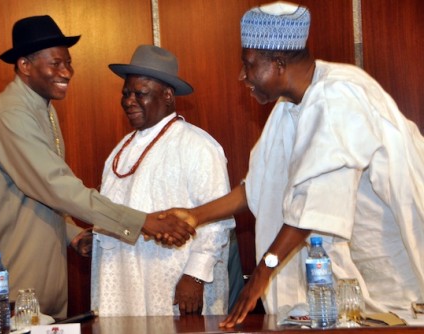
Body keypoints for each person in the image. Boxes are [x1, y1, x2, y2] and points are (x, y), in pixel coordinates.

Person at [164, 1, 424, 327]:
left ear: (278, 63)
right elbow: (257, 187)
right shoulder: (289, 106)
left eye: (249, 64)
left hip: (392, 266)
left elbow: (315, 203)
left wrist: (262, 272)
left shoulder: (338, 96)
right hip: (352, 274)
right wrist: (194, 215)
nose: (242, 75)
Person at [0, 16, 195, 318]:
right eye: (55, 64)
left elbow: (32, 195)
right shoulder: (12, 114)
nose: (67, 72)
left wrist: (70, 233)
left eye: (67, 63)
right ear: (25, 65)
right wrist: (141, 222)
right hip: (9, 283)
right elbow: (56, 186)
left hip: (35, 281)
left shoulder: (41, 107)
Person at [90, 45, 235, 316]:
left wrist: (194, 277)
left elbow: (217, 222)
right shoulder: (120, 150)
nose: (128, 101)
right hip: (121, 287)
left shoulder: (198, 145)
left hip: (175, 286)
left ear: (168, 95)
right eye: (125, 93)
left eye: (140, 93)